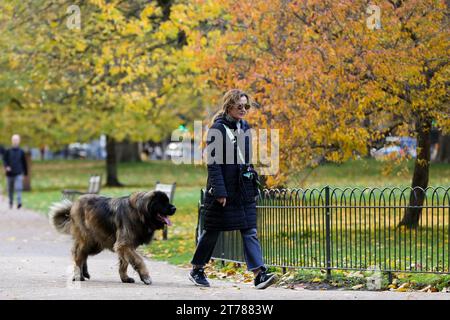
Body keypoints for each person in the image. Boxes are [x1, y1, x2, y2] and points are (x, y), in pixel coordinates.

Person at [189, 89, 277, 290]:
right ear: (229, 106)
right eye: (240, 106)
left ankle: (259, 274)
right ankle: (197, 269)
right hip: (223, 192)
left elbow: (246, 159)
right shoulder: (217, 130)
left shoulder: (245, 127)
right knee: (212, 231)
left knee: (249, 230)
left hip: (242, 190)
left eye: (247, 106)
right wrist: (220, 192)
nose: (244, 110)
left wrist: (252, 179)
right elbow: (213, 164)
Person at [3, 134, 28, 209]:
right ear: (12, 140)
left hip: (18, 173)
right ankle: (10, 202)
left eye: (17, 139)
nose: (15, 141)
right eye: (14, 139)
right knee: (10, 190)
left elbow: (24, 163)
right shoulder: (8, 151)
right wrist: (6, 167)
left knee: (19, 188)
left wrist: (25, 173)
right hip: (9, 174)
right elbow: (4, 160)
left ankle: (19, 202)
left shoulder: (21, 152)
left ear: (19, 141)